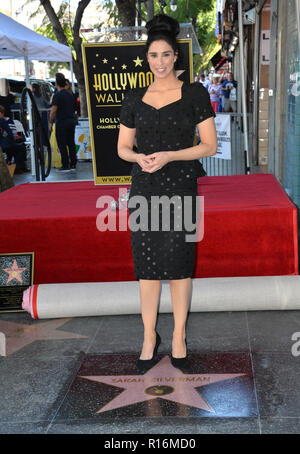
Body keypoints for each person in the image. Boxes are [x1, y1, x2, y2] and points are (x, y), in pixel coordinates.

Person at [117, 13, 217, 374]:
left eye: (165, 55)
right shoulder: (134, 97)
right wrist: (139, 157)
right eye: (153, 55)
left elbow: (209, 145)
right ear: (147, 59)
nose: (159, 62)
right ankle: (148, 337)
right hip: (144, 188)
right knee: (146, 268)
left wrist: (172, 155)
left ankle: (178, 336)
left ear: (176, 57)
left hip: (180, 186)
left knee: (178, 265)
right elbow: (122, 148)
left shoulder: (194, 93)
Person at [49, 73, 77, 171]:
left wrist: (50, 122)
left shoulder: (57, 95)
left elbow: (53, 110)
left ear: (56, 84)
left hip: (62, 122)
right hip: (71, 121)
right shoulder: (70, 95)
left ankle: (65, 164)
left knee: (62, 144)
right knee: (71, 143)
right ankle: (73, 163)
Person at [0, 105, 29, 174]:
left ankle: (18, 166)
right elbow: (10, 133)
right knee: (18, 147)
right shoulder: (2, 120)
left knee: (19, 146)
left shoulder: (7, 120)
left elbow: (12, 132)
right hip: (4, 143)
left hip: (6, 141)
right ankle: (17, 167)